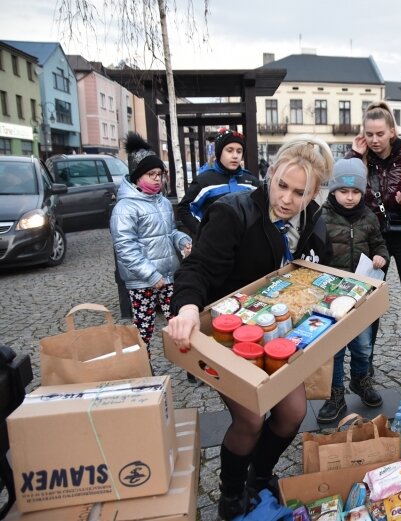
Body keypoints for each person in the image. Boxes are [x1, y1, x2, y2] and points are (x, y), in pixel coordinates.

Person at [167, 135, 334, 519]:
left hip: (276, 332)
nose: (288, 199)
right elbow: (196, 268)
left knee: (292, 413)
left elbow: (320, 268)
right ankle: (230, 494)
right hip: (229, 334)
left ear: (314, 194)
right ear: (270, 174)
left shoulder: (310, 218)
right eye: (282, 186)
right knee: (251, 417)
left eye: (300, 192)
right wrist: (189, 307)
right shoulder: (232, 211)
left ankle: (259, 477)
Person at [345, 101, 401, 369]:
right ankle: (364, 369)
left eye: (380, 134)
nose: (375, 140)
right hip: (372, 237)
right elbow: (346, 190)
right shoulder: (359, 158)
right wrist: (355, 156)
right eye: (369, 134)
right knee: (369, 304)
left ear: (392, 131)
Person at [316, 158, 389, 423]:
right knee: (334, 351)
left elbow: (379, 244)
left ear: (362, 192)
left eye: (355, 191)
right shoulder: (320, 217)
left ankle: (361, 381)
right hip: (331, 298)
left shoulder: (369, 217)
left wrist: (382, 256)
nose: (349, 197)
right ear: (333, 190)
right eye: (343, 191)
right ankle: (334, 395)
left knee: (362, 346)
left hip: (360, 297)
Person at [110, 132, 192, 352]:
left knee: (177, 320)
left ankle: (188, 363)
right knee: (144, 327)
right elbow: (125, 248)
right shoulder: (125, 208)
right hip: (142, 281)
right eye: (151, 174)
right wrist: (150, 274)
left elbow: (170, 232)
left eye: (160, 174)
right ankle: (143, 366)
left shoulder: (164, 202)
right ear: (137, 176)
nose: (157, 178)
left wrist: (182, 240)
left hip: (168, 275)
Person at [176, 128, 262, 237]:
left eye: (239, 151)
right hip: (214, 249)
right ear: (219, 152)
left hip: (245, 247)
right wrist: (203, 231)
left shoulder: (251, 181)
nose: (235, 156)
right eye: (229, 150)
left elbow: (261, 211)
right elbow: (184, 209)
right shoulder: (204, 180)